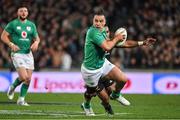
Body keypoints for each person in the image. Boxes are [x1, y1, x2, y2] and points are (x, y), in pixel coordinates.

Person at [81, 8, 156, 116]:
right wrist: (116, 38)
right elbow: (108, 46)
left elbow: (124, 44)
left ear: (105, 22)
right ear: (93, 21)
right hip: (91, 70)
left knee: (123, 79)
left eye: (101, 21)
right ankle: (87, 105)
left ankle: (116, 95)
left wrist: (142, 42)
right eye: (96, 21)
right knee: (99, 96)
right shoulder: (93, 32)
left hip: (103, 64)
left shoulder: (103, 33)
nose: (98, 23)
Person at [1, 5, 40, 106]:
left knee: (28, 79)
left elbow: (37, 38)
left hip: (28, 54)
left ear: (27, 13)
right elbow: (3, 36)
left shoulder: (32, 25)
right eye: (21, 11)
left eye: (25, 11)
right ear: (18, 13)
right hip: (17, 53)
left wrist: (36, 43)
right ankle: (13, 86)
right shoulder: (13, 24)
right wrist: (11, 44)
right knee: (23, 77)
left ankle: (21, 100)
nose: (23, 13)